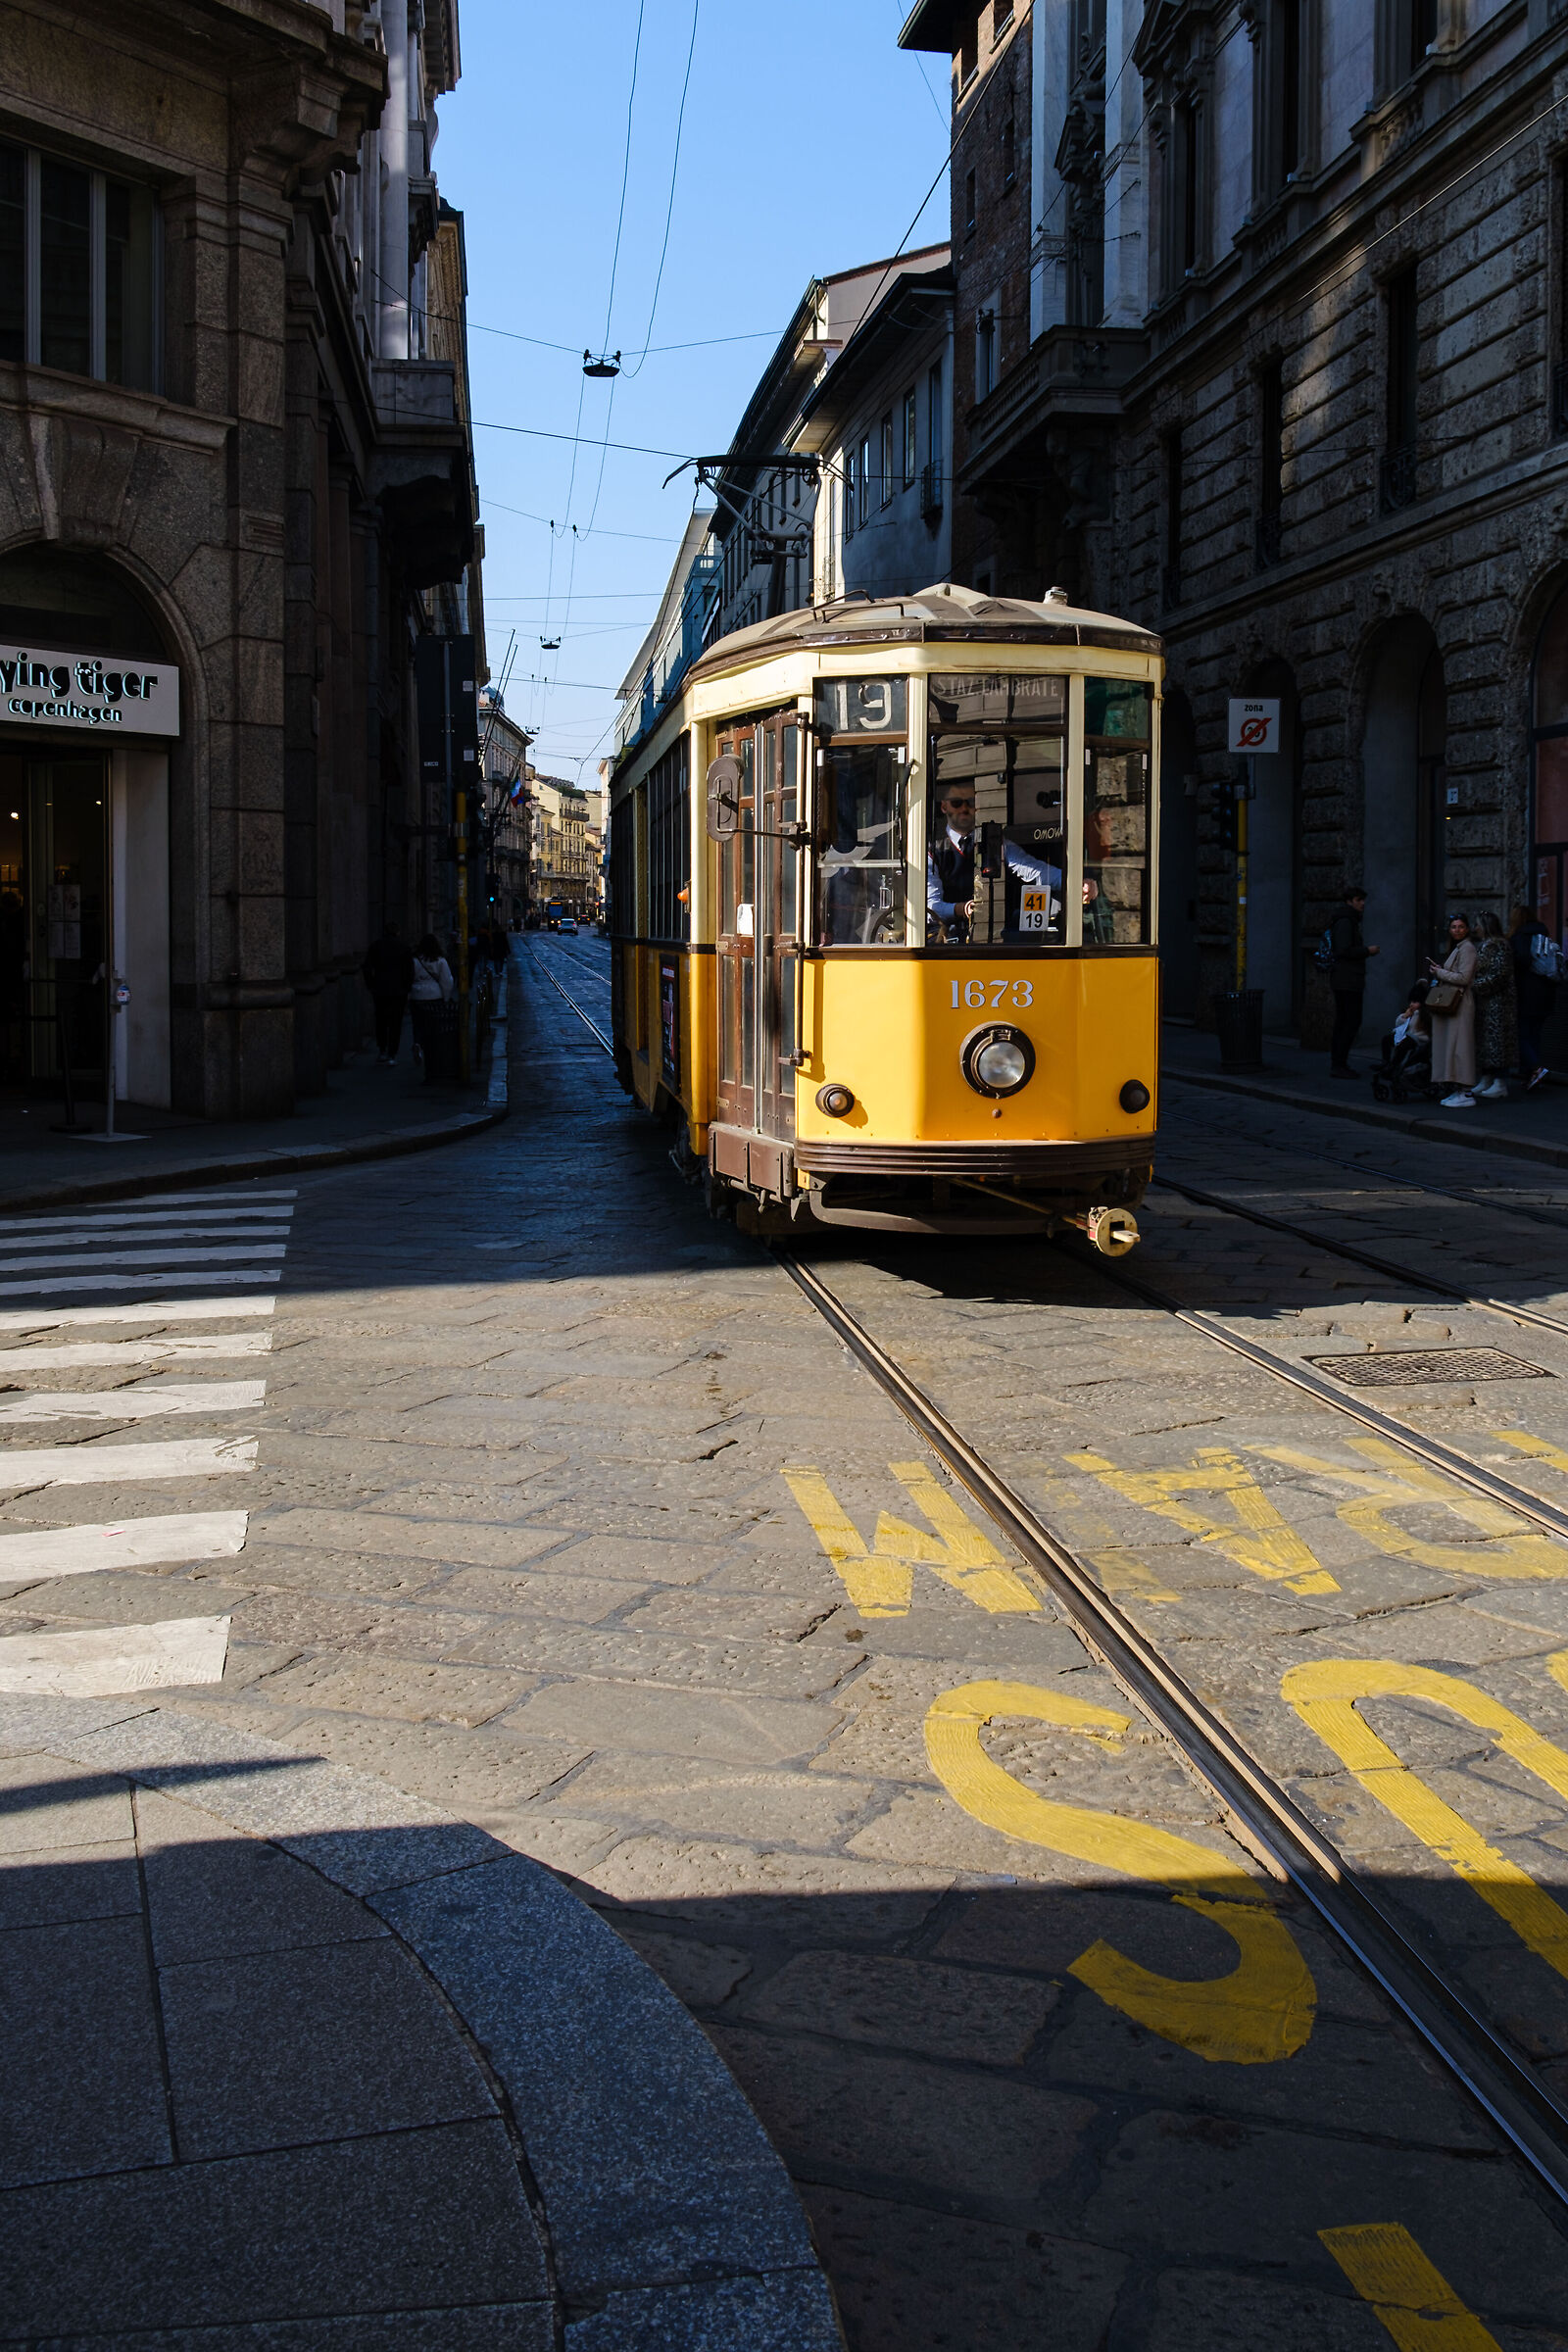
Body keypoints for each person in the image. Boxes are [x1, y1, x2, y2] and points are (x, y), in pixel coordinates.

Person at [925, 785, 1067, 945]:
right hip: (943, 945)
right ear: (944, 807)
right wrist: (961, 908)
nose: (964, 808)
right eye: (957, 803)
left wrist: (1074, 883)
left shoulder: (994, 843)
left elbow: (1033, 870)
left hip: (988, 942)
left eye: (970, 802)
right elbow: (932, 906)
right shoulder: (932, 851)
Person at [1427, 911, 1478, 1105]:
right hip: (1455, 1002)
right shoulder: (1460, 948)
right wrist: (1442, 971)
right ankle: (1459, 1089)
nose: (1457, 930)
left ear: (1467, 929)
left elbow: (1464, 978)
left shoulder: (1467, 949)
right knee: (1454, 1046)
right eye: (1454, 927)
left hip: (1461, 1002)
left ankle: (1465, 1091)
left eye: (1461, 927)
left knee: (1460, 1047)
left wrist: (1440, 972)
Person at [1328, 886, 1379, 1077]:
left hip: (1346, 978)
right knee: (1349, 1021)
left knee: (1345, 1021)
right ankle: (1339, 1064)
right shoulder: (1345, 921)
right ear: (1349, 901)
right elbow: (1344, 950)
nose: (1362, 903)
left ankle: (1339, 1063)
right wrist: (1368, 951)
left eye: (1363, 900)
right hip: (1347, 980)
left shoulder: (1348, 920)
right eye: (1358, 900)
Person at [1471, 909, 1518, 1102]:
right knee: (1486, 1042)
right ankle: (1487, 1077)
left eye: (1478, 925)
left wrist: (1475, 986)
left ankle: (1499, 1081)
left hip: (1498, 1003)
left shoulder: (1499, 946)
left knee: (1497, 1042)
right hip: (1486, 1003)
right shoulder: (1486, 945)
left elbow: (1499, 975)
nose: (1475, 929)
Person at [1509, 903, 1555, 1090]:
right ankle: (1530, 1075)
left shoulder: (1520, 936)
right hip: (1546, 992)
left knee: (1521, 1034)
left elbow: (1522, 960)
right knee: (1534, 1034)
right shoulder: (1542, 934)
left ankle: (1535, 1068)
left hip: (1527, 994)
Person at [362, 921, 415, 1065]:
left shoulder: (376, 946)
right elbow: (409, 971)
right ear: (397, 932)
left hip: (380, 989)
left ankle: (382, 1049)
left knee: (381, 1020)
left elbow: (367, 968)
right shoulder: (404, 947)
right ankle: (392, 1052)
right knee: (396, 1022)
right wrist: (407, 988)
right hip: (399, 991)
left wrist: (371, 984)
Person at [408, 931, 455, 1063]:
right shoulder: (440, 960)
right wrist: (446, 998)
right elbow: (447, 981)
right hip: (435, 995)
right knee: (434, 1024)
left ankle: (418, 1043)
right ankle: (431, 1048)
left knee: (418, 1023)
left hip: (417, 995)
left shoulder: (415, 960)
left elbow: (409, 977)